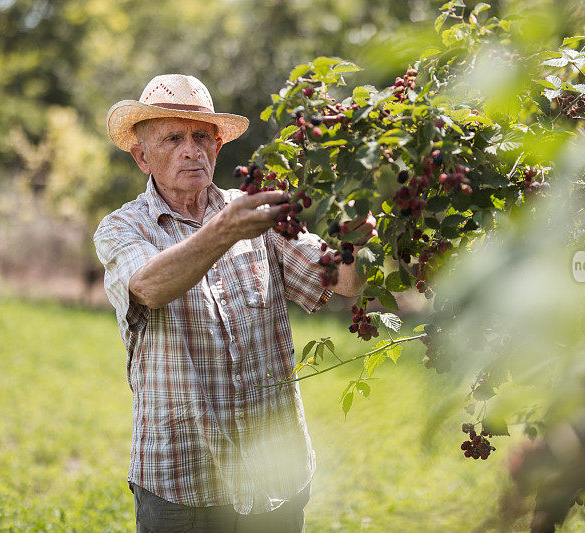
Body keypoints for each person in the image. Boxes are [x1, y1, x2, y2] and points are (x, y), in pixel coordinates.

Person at [93, 74, 376, 532]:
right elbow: (148, 285)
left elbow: (344, 281)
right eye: (173, 138)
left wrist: (361, 239)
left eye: (202, 136)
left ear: (217, 148)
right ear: (142, 156)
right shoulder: (123, 228)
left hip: (273, 476)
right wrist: (225, 230)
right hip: (182, 479)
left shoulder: (257, 216)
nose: (191, 149)